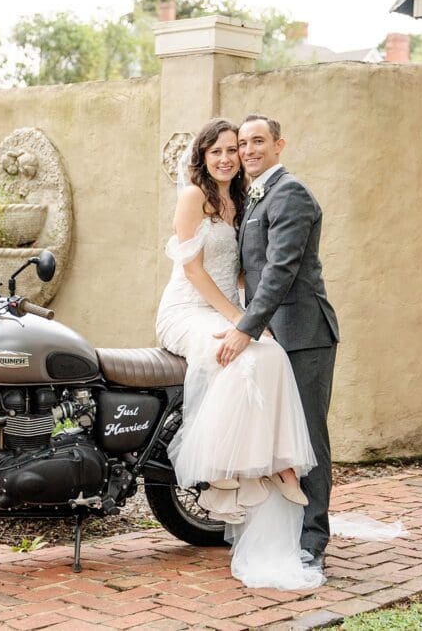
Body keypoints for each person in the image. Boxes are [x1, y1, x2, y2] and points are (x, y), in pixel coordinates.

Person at [156, 118, 324, 590]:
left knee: (268, 355)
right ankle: (222, 475)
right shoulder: (193, 197)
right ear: (203, 157)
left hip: (227, 310)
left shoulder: (242, 199)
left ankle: (276, 465)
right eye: (219, 151)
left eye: (235, 149)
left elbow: (250, 268)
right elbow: (193, 273)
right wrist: (240, 320)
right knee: (246, 355)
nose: (229, 157)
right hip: (189, 310)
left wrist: (249, 317)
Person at [217, 114, 340, 573]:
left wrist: (245, 327)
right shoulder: (253, 195)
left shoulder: (290, 193)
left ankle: (313, 538)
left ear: (279, 145)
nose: (248, 150)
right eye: (242, 143)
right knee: (278, 439)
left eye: (257, 142)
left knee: (309, 437)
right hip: (272, 334)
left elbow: (280, 270)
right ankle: (284, 526)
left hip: (304, 334)